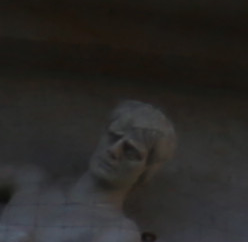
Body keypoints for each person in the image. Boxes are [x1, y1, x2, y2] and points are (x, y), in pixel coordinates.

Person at [0, 103, 171, 242]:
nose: (114, 151)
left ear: (146, 171)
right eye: (114, 136)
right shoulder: (30, 181)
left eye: (131, 151)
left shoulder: (118, 232)